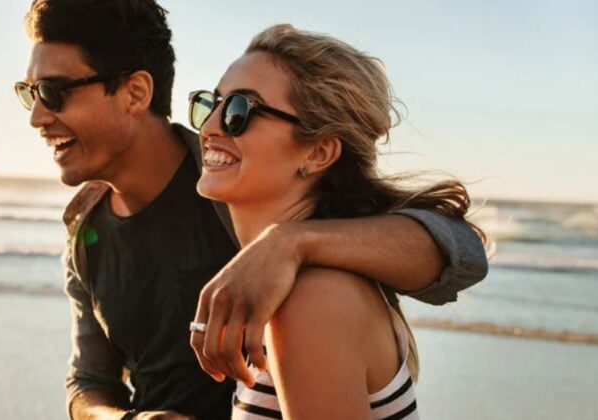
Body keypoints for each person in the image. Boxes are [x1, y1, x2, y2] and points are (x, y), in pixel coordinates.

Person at [14, 1, 487, 419]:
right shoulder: (85, 229)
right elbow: (89, 379)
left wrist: (288, 245)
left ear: (136, 92)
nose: (36, 116)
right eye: (30, 93)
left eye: (54, 92)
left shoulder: (235, 187)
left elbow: (462, 252)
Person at [189, 23, 484, 419]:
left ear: (318, 153)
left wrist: (288, 241)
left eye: (239, 111)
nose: (208, 128)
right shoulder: (306, 286)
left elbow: (466, 250)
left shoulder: (312, 301)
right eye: (211, 104)